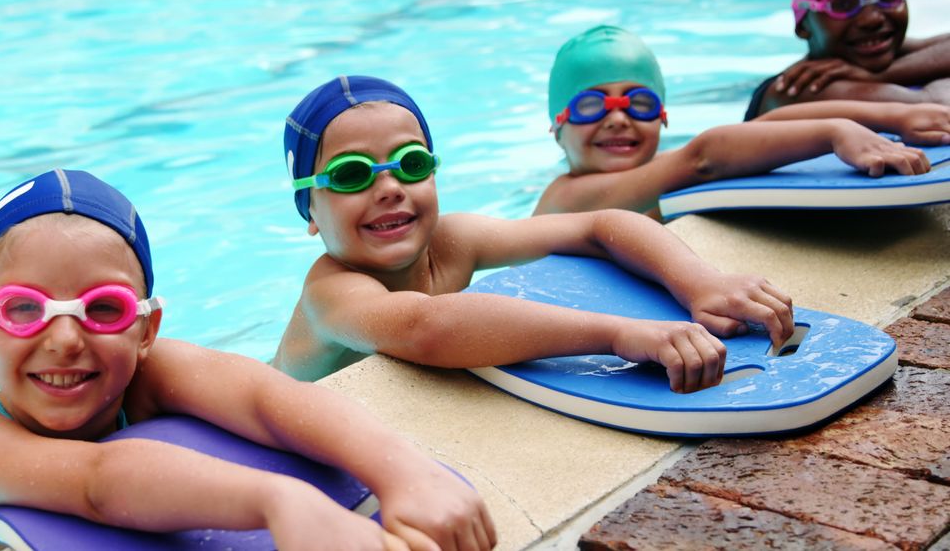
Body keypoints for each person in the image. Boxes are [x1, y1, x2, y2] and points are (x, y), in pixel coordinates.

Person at [0, 169, 495, 551]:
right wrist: (279, 500)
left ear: (146, 329)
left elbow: (270, 398)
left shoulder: (147, 375)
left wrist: (406, 472)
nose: (65, 340)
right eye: (24, 310)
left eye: (103, 308)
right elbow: (96, 481)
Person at [271, 75, 795, 390]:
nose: (388, 187)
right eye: (350, 174)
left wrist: (699, 282)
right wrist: (619, 334)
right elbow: (427, 328)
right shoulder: (331, 291)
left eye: (409, 163)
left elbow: (599, 225)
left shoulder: (455, 240)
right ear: (310, 212)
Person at [533, 25, 934, 218]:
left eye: (640, 103)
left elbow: (768, 123)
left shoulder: (656, 168)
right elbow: (705, 156)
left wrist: (895, 115)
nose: (618, 119)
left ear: (664, 117)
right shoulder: (566, 199)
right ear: (557, 128)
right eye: (591, 106)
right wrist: (833, 132)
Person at [745, 0, 950, 119]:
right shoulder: (799, 89)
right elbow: (937, 106)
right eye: (842, 4)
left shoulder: (866, 52)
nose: (872, 19)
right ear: (803, 26)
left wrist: (878, 76)